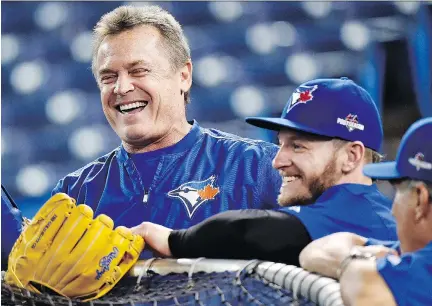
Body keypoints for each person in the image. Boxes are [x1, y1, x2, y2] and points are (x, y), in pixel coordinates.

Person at [51, 5, 282, 233]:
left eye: (138, 70)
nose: (121, 88)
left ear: (184, 76)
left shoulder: (258, 167)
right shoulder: (74, 194)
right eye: (109, 77)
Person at [130, 77, 398, 265]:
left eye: (298, 147)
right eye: (281, 144)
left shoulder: (363, 214)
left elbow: (249, 231)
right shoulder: (358, 212)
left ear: (351, 157)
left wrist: (171, 239)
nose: (278, 160)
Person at [299, 117, 432, 306]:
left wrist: (357, 264)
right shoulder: (405, 253)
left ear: (420, 198)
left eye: (398, 192)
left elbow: (365, 291)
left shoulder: (417, 271)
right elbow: (318, 249)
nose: (393, 211)